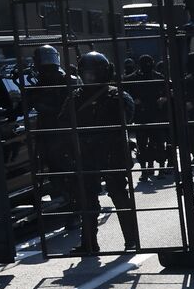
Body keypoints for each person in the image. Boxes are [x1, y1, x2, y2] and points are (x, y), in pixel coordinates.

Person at [59, 51, 140, 254]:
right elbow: (63, 123)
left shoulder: (116, 96)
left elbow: (125, 119)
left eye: (92, 73)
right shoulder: (77, 97)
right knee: (88, 200)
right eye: (88, 73)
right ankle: (90, 243)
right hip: (88, 153)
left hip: (110, 152)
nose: (90, 77)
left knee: (118, 195)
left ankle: (131, 240)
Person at [24, 45, 80, 223]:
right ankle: (68, 207)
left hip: (64, 134)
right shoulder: (38, 85)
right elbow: (22, 108)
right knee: (57, 173)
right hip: (50, 136)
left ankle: (74, 209)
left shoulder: (68, 81)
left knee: (67, 171)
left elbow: (74, 107)